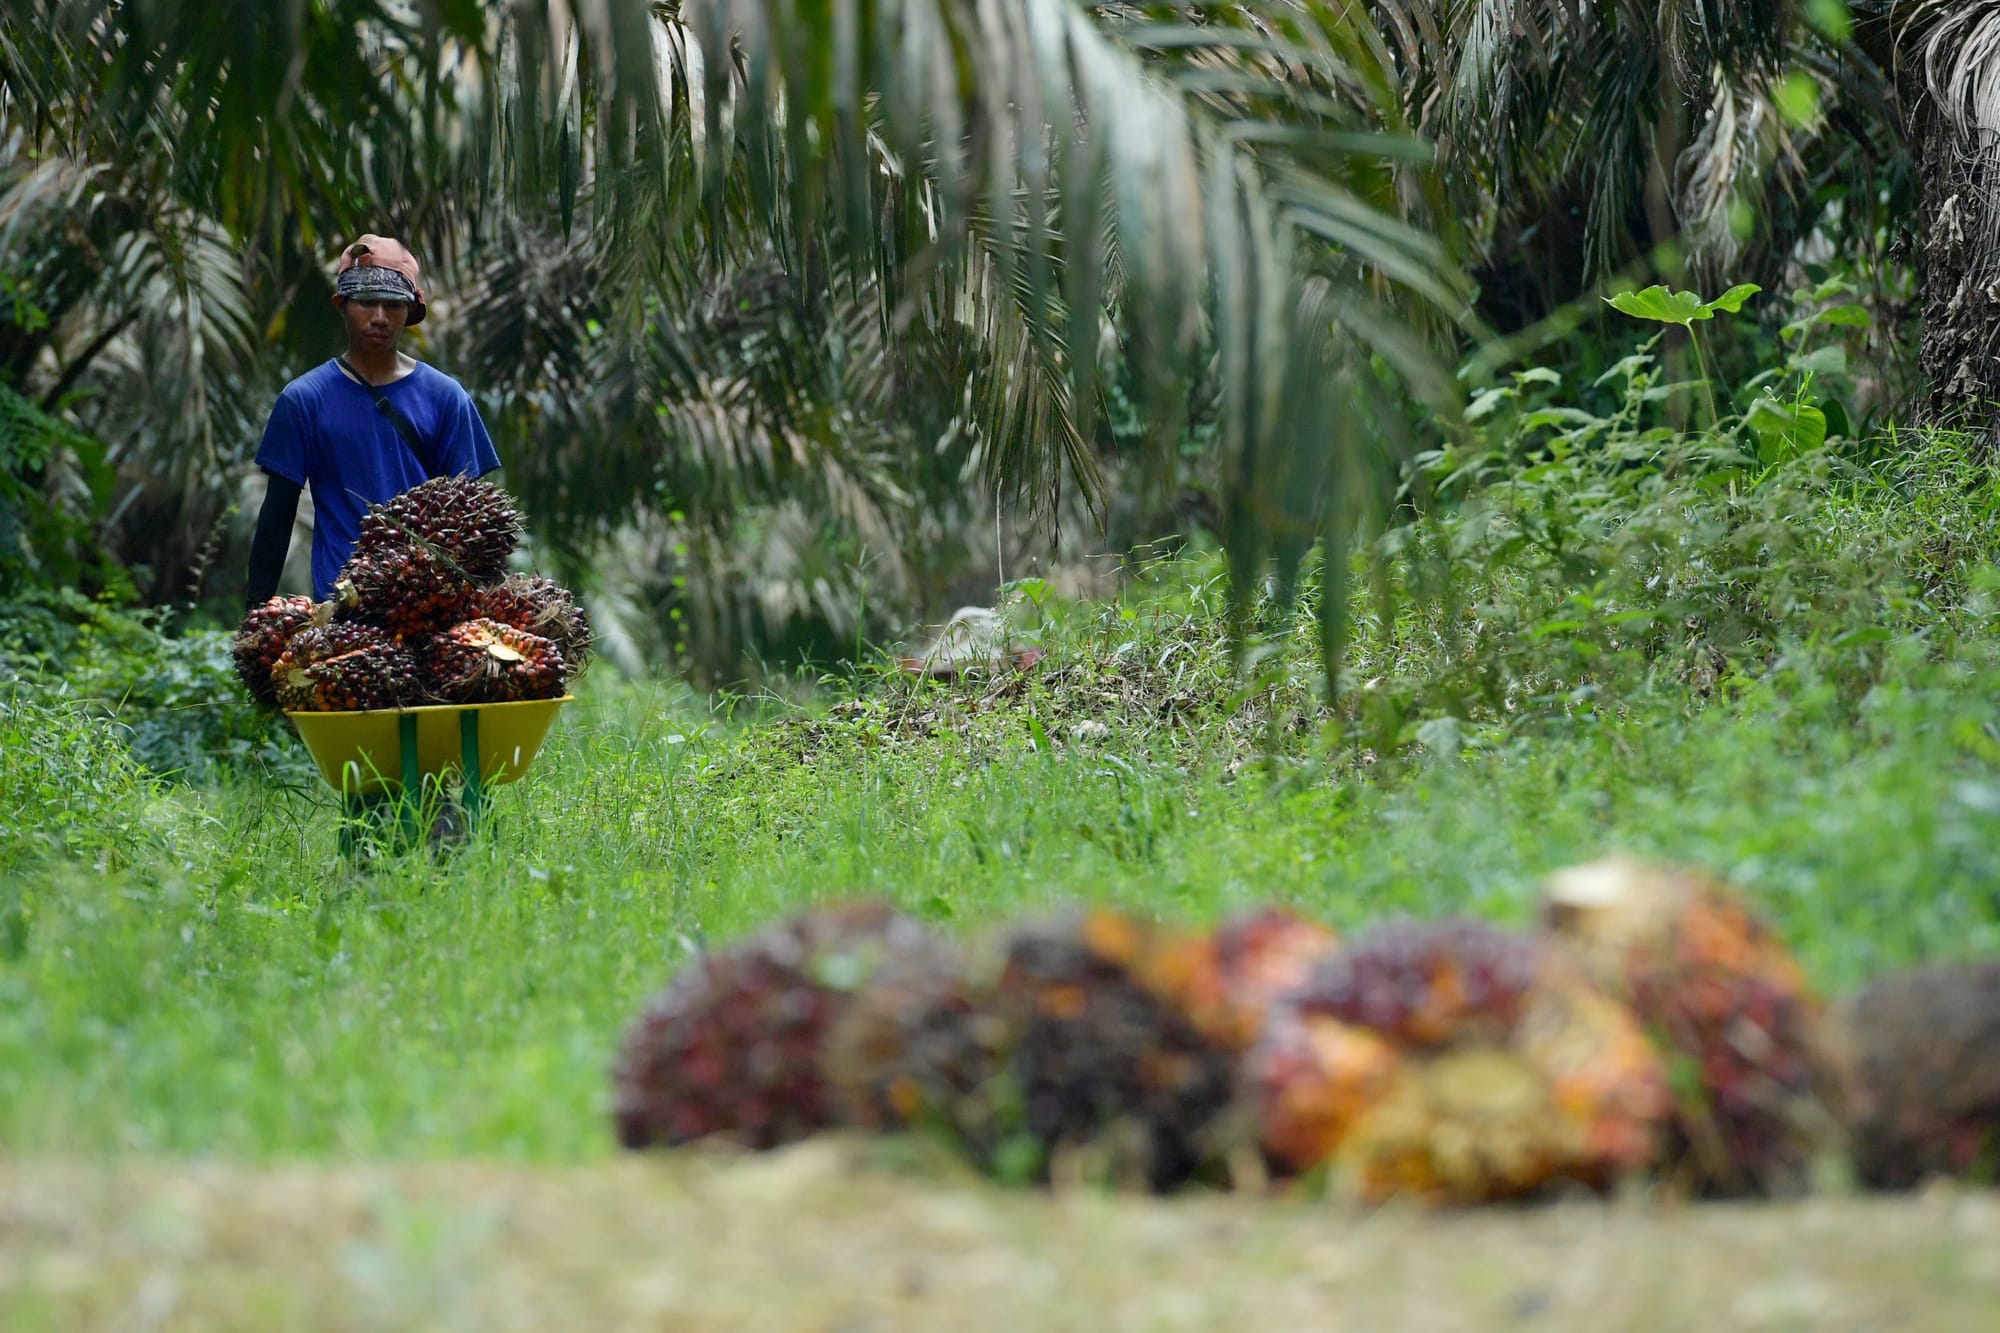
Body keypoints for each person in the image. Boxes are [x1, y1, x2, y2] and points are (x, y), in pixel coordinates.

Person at [244, 234, 501, 609]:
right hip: (342, 612)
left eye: (393, 304)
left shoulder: (447, 398)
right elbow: (276, 518)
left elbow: (473, 523)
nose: (379, 317)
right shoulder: (304, 400)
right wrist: (255, 616)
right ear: (342, 305)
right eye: (366, 302)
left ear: (410, 310)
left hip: (430, 612)